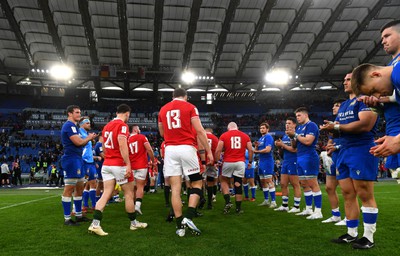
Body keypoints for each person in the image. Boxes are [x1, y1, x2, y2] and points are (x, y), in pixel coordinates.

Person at [320, 73, 379, 249]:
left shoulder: (367, 100)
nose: (344, 81)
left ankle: (368, 237)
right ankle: (351, 233)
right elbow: (338, 131)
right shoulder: (344, 105)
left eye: (348, 79)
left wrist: (336, 126)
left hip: (361, 150)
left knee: (364, 194)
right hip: (344, 151)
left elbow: (365, 125)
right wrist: (330, 130)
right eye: (344, 79)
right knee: (347, 193)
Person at [158, 88, 213, 237]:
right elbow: (200, 131)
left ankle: (180, 227)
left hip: (170, 149)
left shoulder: (162, 110)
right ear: (186, 96)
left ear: (172, 96)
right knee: (196, 183)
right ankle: (188, 216)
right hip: (187, 148)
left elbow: (162, 133)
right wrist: (208, 151)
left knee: (175, 188)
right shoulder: (190, 107)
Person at [88, 104, 147, 236]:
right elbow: (122, 144)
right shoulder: (122, 126)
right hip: (118, 164)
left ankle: (95, 224)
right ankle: (133, 223)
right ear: (127, 113)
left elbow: (103, 145)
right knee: (129, 194)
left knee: (106, 193)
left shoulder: (107, 126)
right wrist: (128, 164)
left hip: (107, 164)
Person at [61, 105, 96, 226]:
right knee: (69, 188)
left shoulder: (74, 126)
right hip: (71, 159)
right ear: (69, 114)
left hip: (78, 159)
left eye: (80, 112)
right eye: (77, 112)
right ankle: (67, 219)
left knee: (80, 187)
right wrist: (89, 137)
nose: (79, 114)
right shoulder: (69, 126)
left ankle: (79, 215)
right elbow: (78, 142)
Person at [286, 107, 323, 220]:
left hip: (309, 157)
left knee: (313, 183)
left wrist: (296, 135)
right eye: (296, 116)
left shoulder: (311, 125)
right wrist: (292, 137)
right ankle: (308, 209)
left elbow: (308, 141)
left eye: (299, 116)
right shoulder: (300, 127)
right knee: (304, 184)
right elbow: (294, 146)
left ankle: (318, 211)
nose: (297, 118)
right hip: (300, 157)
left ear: (305, 115)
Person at [214, 122, 253, 214]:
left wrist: (216, 161)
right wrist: (250, 162)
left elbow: (218, 150)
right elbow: (250, 150)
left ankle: (228, 201)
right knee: (238, 182)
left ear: (228, 128)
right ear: (237, 127)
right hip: (240, 162)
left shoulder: (224, 135)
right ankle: (238, 209)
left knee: (223, 180)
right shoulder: (245, 136)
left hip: (228, 161)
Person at [321, 98, 347, 225]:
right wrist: (329, 148)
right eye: (333, 105)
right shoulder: (334, 123)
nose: (333, 108)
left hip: (344, 154)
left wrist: (336, 147)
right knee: (329, 187)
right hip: (334, 156)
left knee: (346, 189)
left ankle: (349, 217)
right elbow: (331, 140)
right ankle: (335, 215)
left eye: (337, 105)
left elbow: (351, 140)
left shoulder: (348, 122)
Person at [274, 117, 301, 213]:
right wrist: (279, 147)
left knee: (295, 184)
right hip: (285, 161)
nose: (287, 125)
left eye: (289, 123)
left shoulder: (296, 135)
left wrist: (283, 145)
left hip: (294, 161)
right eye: (286, 123)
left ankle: (296, 207)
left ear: (294, 124)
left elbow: (295, 150)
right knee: (283, 184)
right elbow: (282, 153)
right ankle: (285, 205)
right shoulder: (285, 136)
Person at [128, 125, 157, 215]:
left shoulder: (126, 139)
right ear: (135, 129)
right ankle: (137, 206)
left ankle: (131, 206)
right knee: (140, 186)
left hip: (130, 165)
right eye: (139, 128)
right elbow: (149, 149)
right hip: (141, 165)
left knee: (132, 188)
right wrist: (153, 161)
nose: (140, 130)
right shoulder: (142, 137)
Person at [254, 123, 276, 208]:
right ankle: (266, 200)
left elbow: (267, 149)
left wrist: (257, 152)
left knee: (269, 181)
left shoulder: (268, 137)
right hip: (261, 161)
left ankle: (273, 201)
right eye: (260, 128)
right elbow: (257, 150)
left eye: (263, 128)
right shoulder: (260, 138)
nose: (261, 129)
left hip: (267, 161)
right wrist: (256, 147)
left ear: (267, 129)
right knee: (263, 182)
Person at [79, 117, 98, 213]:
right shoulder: (79, 132)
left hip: (91, 162)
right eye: (87, 123)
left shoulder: (86, 134)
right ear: (82, 124)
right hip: (84, 161)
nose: (89, 124)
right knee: (83, 184)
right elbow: (80, 144)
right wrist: (89, 138)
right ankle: (82, 205)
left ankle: (93, 205)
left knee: (93, 183)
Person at [205, 128, 219, 209]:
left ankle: (201, 199)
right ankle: (209, 204)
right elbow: (217, 151)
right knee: (211, 182)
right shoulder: (215, 138)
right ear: (211, 132)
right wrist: (215, 161)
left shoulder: (201, 136)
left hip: (202, 162)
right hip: (212, 162)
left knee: (199, 182)